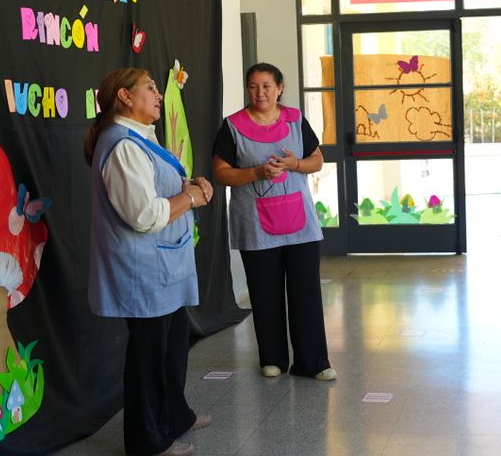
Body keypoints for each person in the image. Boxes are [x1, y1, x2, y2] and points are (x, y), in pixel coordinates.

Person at [85, 68, 214, 456]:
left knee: (172, 347)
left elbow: (162, 190)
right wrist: (190, 199)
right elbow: (143, 214)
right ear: (124, 97)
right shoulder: (122, 145)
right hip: (142, 270)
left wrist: (191, 187)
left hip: (163, 265)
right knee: (148, 358)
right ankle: (147, 441)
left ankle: (176, 416)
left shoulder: (142, 137)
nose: (159, 95)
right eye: (150, 88)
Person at [212, 63, 336, 381]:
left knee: (305, 293)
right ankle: (273, 359)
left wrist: (295, 163)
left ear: (280, 87)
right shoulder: (233, 126)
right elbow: (221, 173)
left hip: (300, 223)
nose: (260, 92)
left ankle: (314, 362)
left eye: (267, 85)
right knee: (264, 293)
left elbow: (317, 159)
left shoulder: (295, 119)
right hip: (255, 224)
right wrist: (255, 172)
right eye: (253, 86)